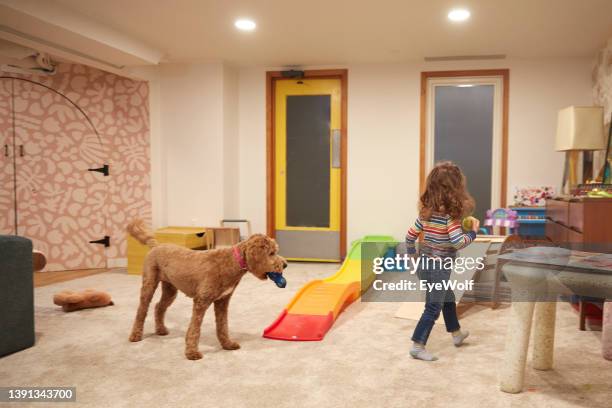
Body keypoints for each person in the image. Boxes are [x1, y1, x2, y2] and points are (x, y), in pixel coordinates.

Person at [405, 161, 480, 361]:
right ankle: (417, 346)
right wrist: (473, 233)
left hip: (424, 264)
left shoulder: (426, 212)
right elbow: (457, 243)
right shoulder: (450, 216)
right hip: (439, 267)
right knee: (433, 307)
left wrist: (413, 259)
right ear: (456, 188)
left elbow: (410, 237)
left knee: (447, 297)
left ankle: (456, 334)